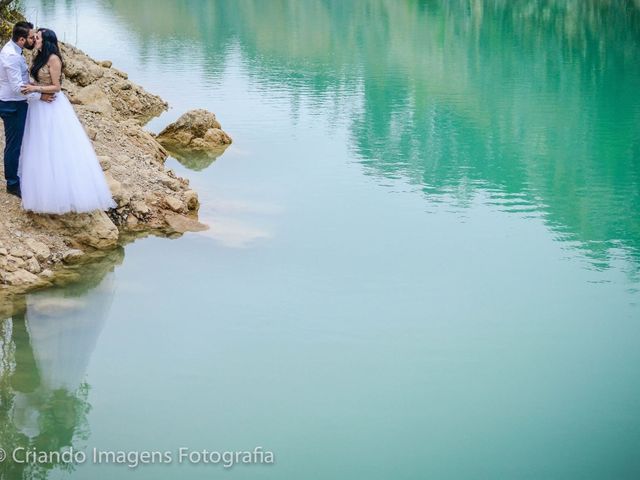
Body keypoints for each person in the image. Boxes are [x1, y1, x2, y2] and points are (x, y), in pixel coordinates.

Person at [19, 28, 115, 214]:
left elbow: (56, 87)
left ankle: (63, 193)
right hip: (39, 105)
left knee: (57, 145)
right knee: (39, 144)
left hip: (53, 105)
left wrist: (34, 88)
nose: (34, 40)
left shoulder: (54, 59)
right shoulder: (37, 56)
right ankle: (40, 189)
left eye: (37, 38)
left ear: (45, 41)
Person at [0, 21, 49, 198]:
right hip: (13, 105)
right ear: (21, 40)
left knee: (18, 143)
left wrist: (33, 85)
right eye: (31, 37)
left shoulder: (14, 50)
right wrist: (39, 95)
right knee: (14, 145)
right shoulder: (11, 56)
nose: (34, 39)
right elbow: (16, 88)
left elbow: (19, 80)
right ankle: (12, 184)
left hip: (16, 101)